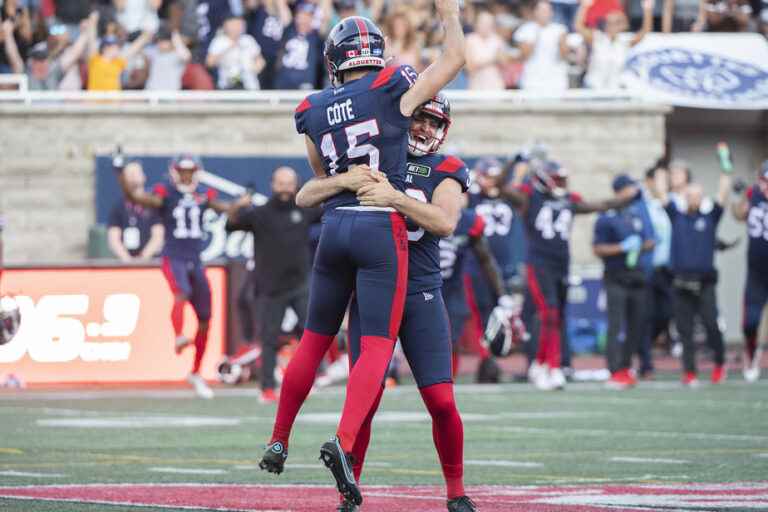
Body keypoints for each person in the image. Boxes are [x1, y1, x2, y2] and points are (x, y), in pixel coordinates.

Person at [258, 4, 465, 507]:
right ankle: (345, 445)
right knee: (374, 349)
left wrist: (349, 178)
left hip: (337, 229)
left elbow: (319, 178)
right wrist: (449, 11)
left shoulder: (312, 106)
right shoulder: (392, 85)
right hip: (379, 234)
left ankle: (279, 437)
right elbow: (454, 57)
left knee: (313, 339)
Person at [295, 94, 477, 512]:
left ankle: (456, 490)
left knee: (441, 400)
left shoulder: (446, 169)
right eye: (419, 119)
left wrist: (394, 197)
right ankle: (348, 494)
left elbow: (445, 222)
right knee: (366, 399)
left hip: (419, 293)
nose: (425, 129)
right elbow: (317, 186)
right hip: (375, 290)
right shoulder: (372, 158)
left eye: (434, 123)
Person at [502, 160, 635, 390]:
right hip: (539, 263)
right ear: (545, 179)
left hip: (561, 265)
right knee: (549, 313)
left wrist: (627, 198)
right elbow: (502, 187)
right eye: (559, 178)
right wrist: (515, 164)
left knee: (557, 316)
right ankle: (547, 365)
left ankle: (544, 365)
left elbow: (599, 204)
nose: (563, 183)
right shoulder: (529, 198)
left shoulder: (568, 200)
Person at [114, 151, 232, 399]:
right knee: (181, 292)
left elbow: (225, 208)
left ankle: (196, 372)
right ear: (175, 172)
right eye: (183, 171)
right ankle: (178, 335)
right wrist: (123, 178)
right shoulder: (165, 193)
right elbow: (138, 197)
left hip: (196, 259)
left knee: (205, 319)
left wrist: (240, 206)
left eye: (190, 171)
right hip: (174, 256)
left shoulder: (203, 196)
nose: (187, 176)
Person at [225, 167, 321, 404]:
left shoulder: (305, 210)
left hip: (300, 284)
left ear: (296, 184)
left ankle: (309, 381)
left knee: (310, 335)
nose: (285, 188)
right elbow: (230, 225)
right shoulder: (260, 214)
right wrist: (238, 205)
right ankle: (267, 388)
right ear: (272, 184)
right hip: (270, 287)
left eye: (289, 183)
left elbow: (328, 211)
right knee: (268, 339)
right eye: (281, 183)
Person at [657, 149, 731, 387]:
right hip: (680, 282)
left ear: (702, 198)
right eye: (690, 195)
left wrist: (725, 163)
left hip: (705, 282)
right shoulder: (676, 216)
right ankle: (689, 372)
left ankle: (720, 364)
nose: (693, 199)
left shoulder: (710, 217)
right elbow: (661, 191)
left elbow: (723, 192)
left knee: (711, 325)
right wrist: (662, 167)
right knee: (684, 330)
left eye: (697, 196)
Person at [466, 158, 525, 382]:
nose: (491, 181)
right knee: (481, 318)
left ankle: (492, 364)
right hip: (477, 266)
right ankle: (487, 364)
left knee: (502, 320)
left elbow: (515, 194)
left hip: (504, 267)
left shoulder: (508, 197)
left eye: (495, 177)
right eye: (488, 176)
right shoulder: (472, 196)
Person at [593, 174, 655, 389]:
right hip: (616, 276)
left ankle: (626, 366)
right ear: (620, 191)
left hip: (637, 276)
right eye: (629, 188)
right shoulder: (607, 217)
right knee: (616, 325)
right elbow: (598, 248)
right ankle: (614, 369)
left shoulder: (637, 212)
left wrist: (641, 246)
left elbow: (650, 240)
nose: (634, 192)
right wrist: (621, 248)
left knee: (636, 325)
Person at [440, 203, 510, 378]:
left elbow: (486, 259)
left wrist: (502, 295)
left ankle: (446, 385)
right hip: (419, 284)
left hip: (452, 288)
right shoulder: (421, 211)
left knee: (451, 339)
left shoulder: (468, 221)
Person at [732, 160, 768, 382]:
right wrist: (740, 198)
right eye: (763, 181)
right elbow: (738, 214)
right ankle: (750, 352)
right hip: (756, 272)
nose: (766, 187)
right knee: (750, 323)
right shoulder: (752, 193)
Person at [575, 0, 653, 90]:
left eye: (616, 23)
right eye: (609, 23)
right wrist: (584, 6)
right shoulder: (597, 38)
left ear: (622, 26)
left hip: (615, 89)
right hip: (593, 87)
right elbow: (579, 26)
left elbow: (645, 30)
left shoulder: (624, 42)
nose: (612, 26)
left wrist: (648, 8)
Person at [641, 165, 673, 378]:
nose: (665, 183)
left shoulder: (673, 203)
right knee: (646, 316)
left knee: (667, 313)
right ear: (650, 181)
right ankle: (645, 363)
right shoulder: (642, 204)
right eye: (660, 179)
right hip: (647, 268)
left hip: (668, 269)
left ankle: (643, 346)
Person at [107, 161, 164, 262]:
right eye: (130, 173)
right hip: (125, 262)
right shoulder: (118, 207)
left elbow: (158, 236)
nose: (133, 176)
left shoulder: (153, 205)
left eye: (136, 173)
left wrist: (143, 258)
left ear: (144, 177)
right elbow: (114, 238)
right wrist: (127, 260)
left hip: (151, 262)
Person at [87, 13, 153, 91]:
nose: (116, 48)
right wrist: (93, 22)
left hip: (114, 102)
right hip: (94, 102)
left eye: (116, 45)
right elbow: (92, 40)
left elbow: (134, 48)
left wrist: (147, 34)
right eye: (112, 46)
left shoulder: (117, 62)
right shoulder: (95, 60)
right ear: (105, 48)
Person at [514, 0, 569, 92]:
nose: (545, 14)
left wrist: (561, 42)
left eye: (548, 10)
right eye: (542, 10)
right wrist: (537, 34)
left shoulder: (560, 29)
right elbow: (525, 55)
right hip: (532, 82)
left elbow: (564, 56)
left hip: (556, 81)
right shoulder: (525, 29)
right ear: (535, 12)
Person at [273, 3, 325, 90]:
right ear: (296, 17)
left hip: (305, 86)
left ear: (312, 18)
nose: (303, 19)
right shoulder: (288, 31)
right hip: (282, 84)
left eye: (307, 16)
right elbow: (282, 8)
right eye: (301, 15)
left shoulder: (317, 38)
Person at [206, 15, 265, 90]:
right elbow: (209, 62)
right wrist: (228, 48)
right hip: (227, 85)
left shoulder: (248, 40)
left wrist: (256, 67)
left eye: (239, 24)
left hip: (249, 84)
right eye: (233, 25)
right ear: (225, 26)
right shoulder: (219, 41)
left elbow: (260, 60)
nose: (236, 28)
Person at [244, 0, 292, 89]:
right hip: (258, 53)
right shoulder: (261, 9)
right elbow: (251, 4)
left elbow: (286, 21)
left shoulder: (285, 10)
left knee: (271, 85)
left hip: (274, 56)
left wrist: (280, 4)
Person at [464, 10, 507, 90]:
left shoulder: (498, 40)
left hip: (496, 86)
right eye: (483, 23)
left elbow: (504, 64)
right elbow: (470, 67)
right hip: (476, 87)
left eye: (489, 24)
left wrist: (500, 59)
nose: (486, 26)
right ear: (476, 24)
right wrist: (492, 59)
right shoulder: (470, 40)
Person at [143, 24, 191, 90]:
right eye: (159, 40)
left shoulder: (177, 55)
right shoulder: (153, 51)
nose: (160, 43)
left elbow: (187, 57)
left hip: (170, 94)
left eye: (163, 40)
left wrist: (176, 38)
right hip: (152, 92)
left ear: (171, 41)